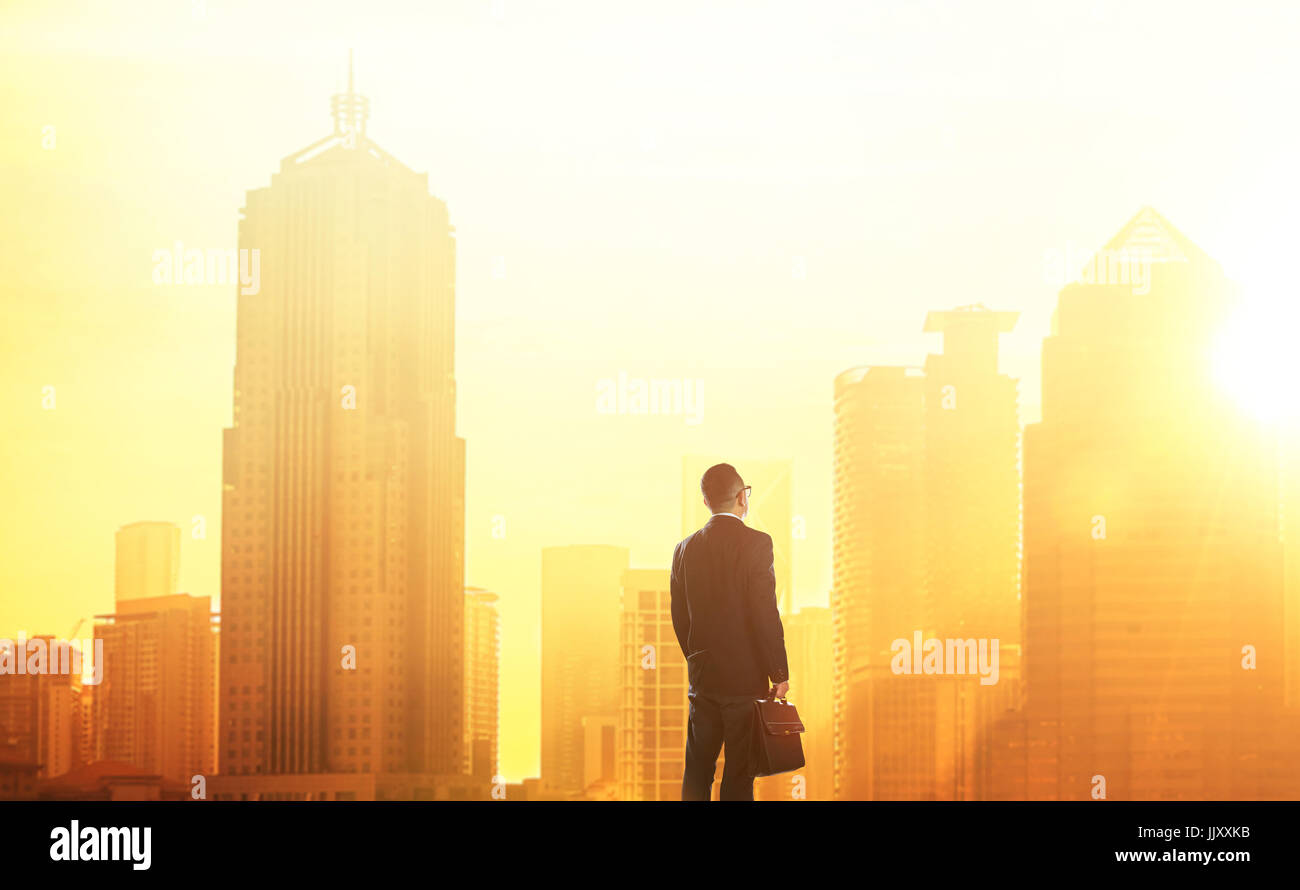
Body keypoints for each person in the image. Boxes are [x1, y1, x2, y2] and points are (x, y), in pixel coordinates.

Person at [670, 462, 789, 801]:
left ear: (706, 502)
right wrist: (777, 671)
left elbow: (680, 618)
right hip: (745, 681)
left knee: (697, 772)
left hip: (704, 679)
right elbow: (764, 612)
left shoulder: (683, 550)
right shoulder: (757, 543)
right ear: (742, 498)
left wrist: (697, 660)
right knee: (739, 775)